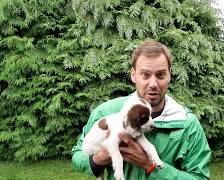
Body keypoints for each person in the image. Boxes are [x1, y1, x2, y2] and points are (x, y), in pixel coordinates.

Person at [72, 39, 211, 179]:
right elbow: (78, 155)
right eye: (145, 74)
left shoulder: (187, 124)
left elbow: (200, 177)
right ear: (133, 75)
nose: (153, 84)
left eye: (160, 74)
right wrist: (99, 158)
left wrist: (149, 166)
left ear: (170, 75)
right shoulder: (106, 112)